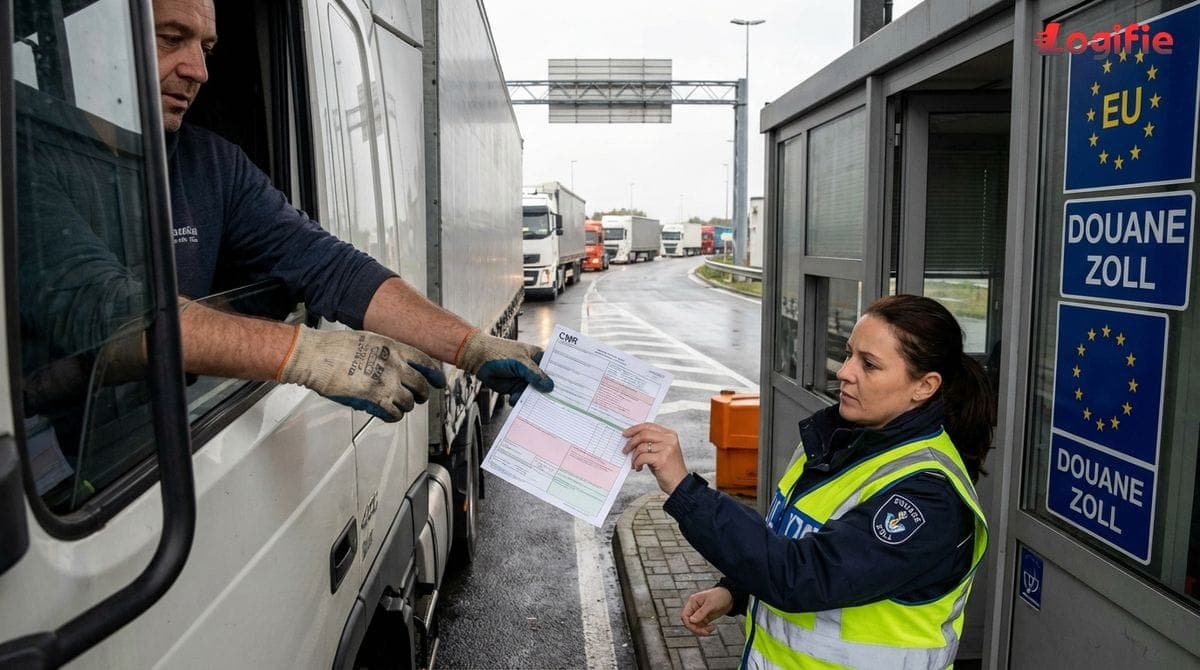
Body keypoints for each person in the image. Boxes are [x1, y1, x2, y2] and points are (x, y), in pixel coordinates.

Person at [18, 0, 551, 425]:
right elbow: (103, 309)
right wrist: (305, 354)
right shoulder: (23, 159)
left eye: (205, 46)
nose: (199, 70)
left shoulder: (209, 163)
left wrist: (471, 345)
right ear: (96, 38)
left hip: (170, 433)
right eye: (169, 38)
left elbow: (325, 264)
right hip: (65, 467)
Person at [622, 294, 993, 668]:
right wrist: (737, 592)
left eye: (869, 364)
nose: (845, 372)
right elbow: (788, 544)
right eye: (849, 354)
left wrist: (686, 491)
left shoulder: (929, 497)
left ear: (924, 386)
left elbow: (801, 576)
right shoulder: (839, 442)